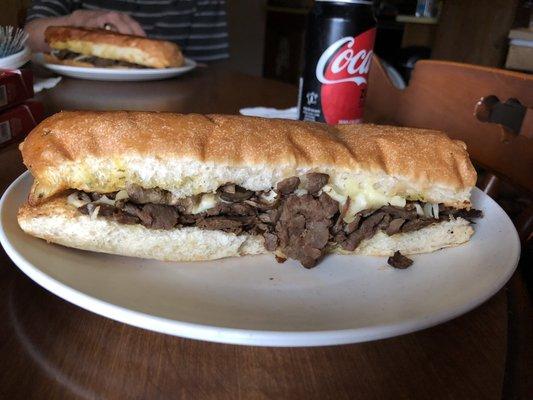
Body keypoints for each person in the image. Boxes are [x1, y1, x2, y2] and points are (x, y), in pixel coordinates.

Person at [25, 0, 229, 62]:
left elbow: (209, 71)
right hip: (69, 100)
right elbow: (27, 37)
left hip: (168, 106)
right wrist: (77, 21)